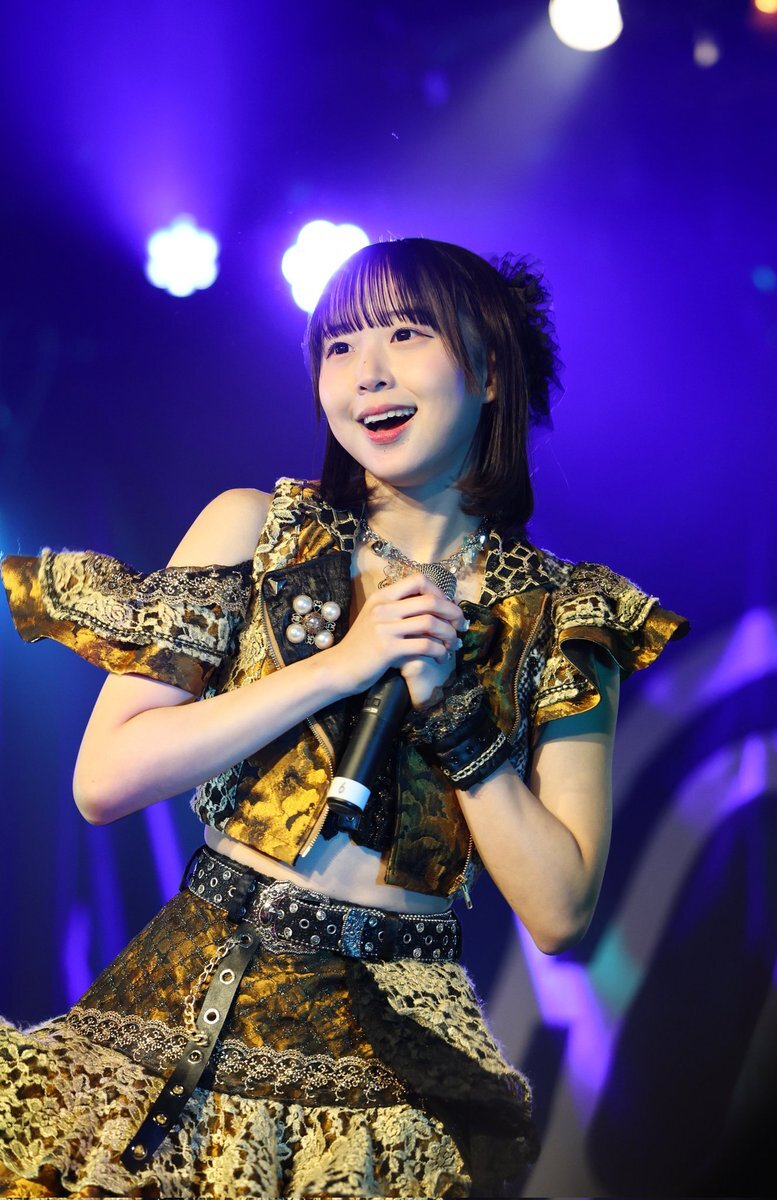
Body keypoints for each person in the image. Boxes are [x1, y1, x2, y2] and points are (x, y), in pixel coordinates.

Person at [0, 236, 688, 1199]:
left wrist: (454, 710)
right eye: (339, 345)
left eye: (405, 334)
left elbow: (560, 910)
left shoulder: (562, 617)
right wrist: (344, 664)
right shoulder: (257, 530)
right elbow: (104, 779)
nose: (367, 372)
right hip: (195, 1003)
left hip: (391, 1060)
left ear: (490, 371)